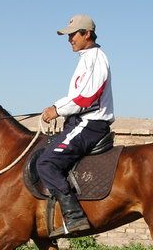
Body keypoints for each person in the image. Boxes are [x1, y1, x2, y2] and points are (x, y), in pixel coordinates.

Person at [36, 14, 114, 238]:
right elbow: (78, 95)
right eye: (68, 35)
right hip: (82, 121)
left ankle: (74, 216)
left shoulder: (96, 58)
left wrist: (57, 109)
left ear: (87, 34)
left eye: (73, 34)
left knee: (47, 162)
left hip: (90, 123)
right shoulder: (85, 58)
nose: (69, 39)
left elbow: (87, 98)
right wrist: (55, 106)